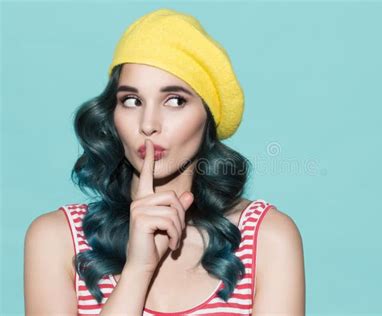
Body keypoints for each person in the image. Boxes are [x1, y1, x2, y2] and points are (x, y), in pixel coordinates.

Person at [24, 8, 305, 315]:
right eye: (131, 100)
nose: (148, 124)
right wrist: (138, 270)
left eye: (175, 100)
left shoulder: (266, 239)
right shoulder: (57, 240)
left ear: (208, 117)